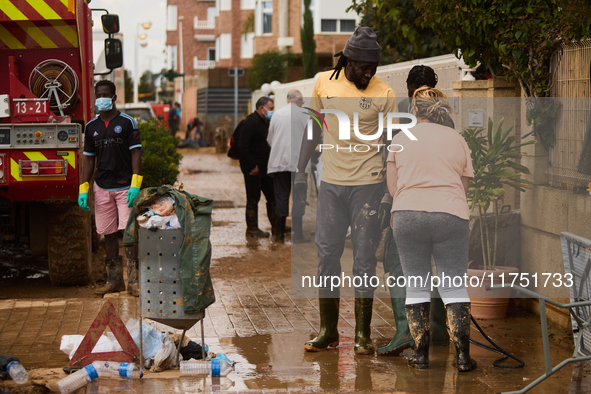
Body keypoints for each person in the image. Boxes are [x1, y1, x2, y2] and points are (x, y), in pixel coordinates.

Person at [296, 27, 398, 355]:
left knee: (365, 260)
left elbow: (392, 144)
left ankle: (362, 335)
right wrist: (299, 173)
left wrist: (388, 192)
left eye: (374, 68)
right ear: (348, 61)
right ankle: (328, 331)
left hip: (368, 185)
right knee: (327, 256)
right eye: (364, 68)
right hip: (331, 185)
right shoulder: (324, 82)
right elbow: (313, 127)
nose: (370, 73)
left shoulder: (385, 93)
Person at [387, 86, 477, 371]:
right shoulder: (457, 139)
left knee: (416, 284)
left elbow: (393, 187)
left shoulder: (400, 139)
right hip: (450, 215)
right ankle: (463, 358)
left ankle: (421, 356)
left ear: (414, 110)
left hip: (407, 215)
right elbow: (464, 183)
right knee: (453, 284)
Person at [377, 65, 451, 356]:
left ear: (408, 88)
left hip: (408, 206)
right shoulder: (448, 122)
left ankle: (406, 332)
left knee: (396, 264)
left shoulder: (399, 122)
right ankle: (438, 331)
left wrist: (388, 206)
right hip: (444, 207)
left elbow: (391, 171)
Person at [78, 80, 143, 297]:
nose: (101, 98)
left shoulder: (127, 122)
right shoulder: (91, 127)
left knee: (129, 234)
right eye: (98, 94)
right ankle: (114, 281)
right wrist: (84, 188)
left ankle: (134, 282)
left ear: (114, 97)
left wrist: (135, 183)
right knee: (108, 233)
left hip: (125, 187)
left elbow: (136, 153)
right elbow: (88, 160)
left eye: (105, 94)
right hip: (102, 186)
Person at [266, 89, 309, 243]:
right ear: (299, 101)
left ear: (287, 100)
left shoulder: (276, 114)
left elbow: (270, 139)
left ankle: (279, 236)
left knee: (281, 197)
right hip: (300, 165)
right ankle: (297, 235)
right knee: (299, 198)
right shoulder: (305, 114)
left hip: (280, 163)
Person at [238, 97, 277, 238]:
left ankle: (277, 226)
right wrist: (252, 166)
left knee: (272, 196)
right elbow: (242, 146)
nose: (272, 111)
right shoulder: (251, 121)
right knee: (253, 198)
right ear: (262, 108)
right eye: (271, 108)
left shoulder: (265, 121)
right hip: (253, 169)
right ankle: (252, 229)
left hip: (266, 168)